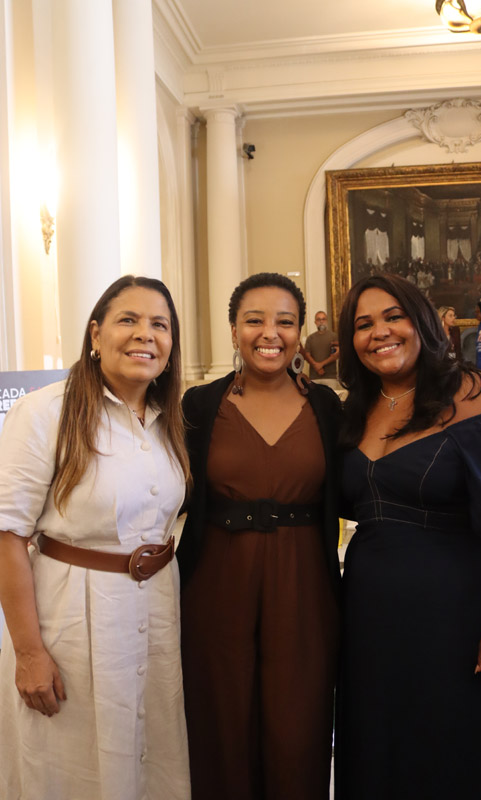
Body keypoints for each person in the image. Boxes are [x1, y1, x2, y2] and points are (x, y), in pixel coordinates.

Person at [335, 273, 481, 800]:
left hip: (453, 615)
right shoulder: (356, 407)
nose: (380, 331)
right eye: (363, 324)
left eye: (393, 316)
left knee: (450, 744)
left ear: (421, 321)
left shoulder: (471, 393)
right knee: (380, 739)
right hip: (370, 614)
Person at [0, 275, 191, 800]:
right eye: (127, 320)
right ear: (95, 333)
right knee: (72, 765)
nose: (144, 335)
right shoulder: (44, 412)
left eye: (160, 324)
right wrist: (28, 652)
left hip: (153, 611)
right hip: (73, 619)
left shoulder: (167, 418)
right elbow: (7, 535)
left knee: (148, 757)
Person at [178, 272, 341, 800]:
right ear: (233, 330)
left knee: (299, 719)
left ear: (300, 332)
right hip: (217, 578)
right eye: (254, 320)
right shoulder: (198, 406)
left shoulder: (327, 406)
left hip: (305, 580)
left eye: (284, 321)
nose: (270, 333)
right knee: (220, 714)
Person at [301, 310, 339, 386]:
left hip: (330, 377)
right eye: (318, 319)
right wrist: (316, 366)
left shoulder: (334, 336)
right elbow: (307, 355)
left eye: (323, 319)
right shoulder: (310, 338)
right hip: (314, 377)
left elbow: (336, 355)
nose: (321, 322)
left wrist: (321, 365)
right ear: (315, 322)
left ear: (327, 321)